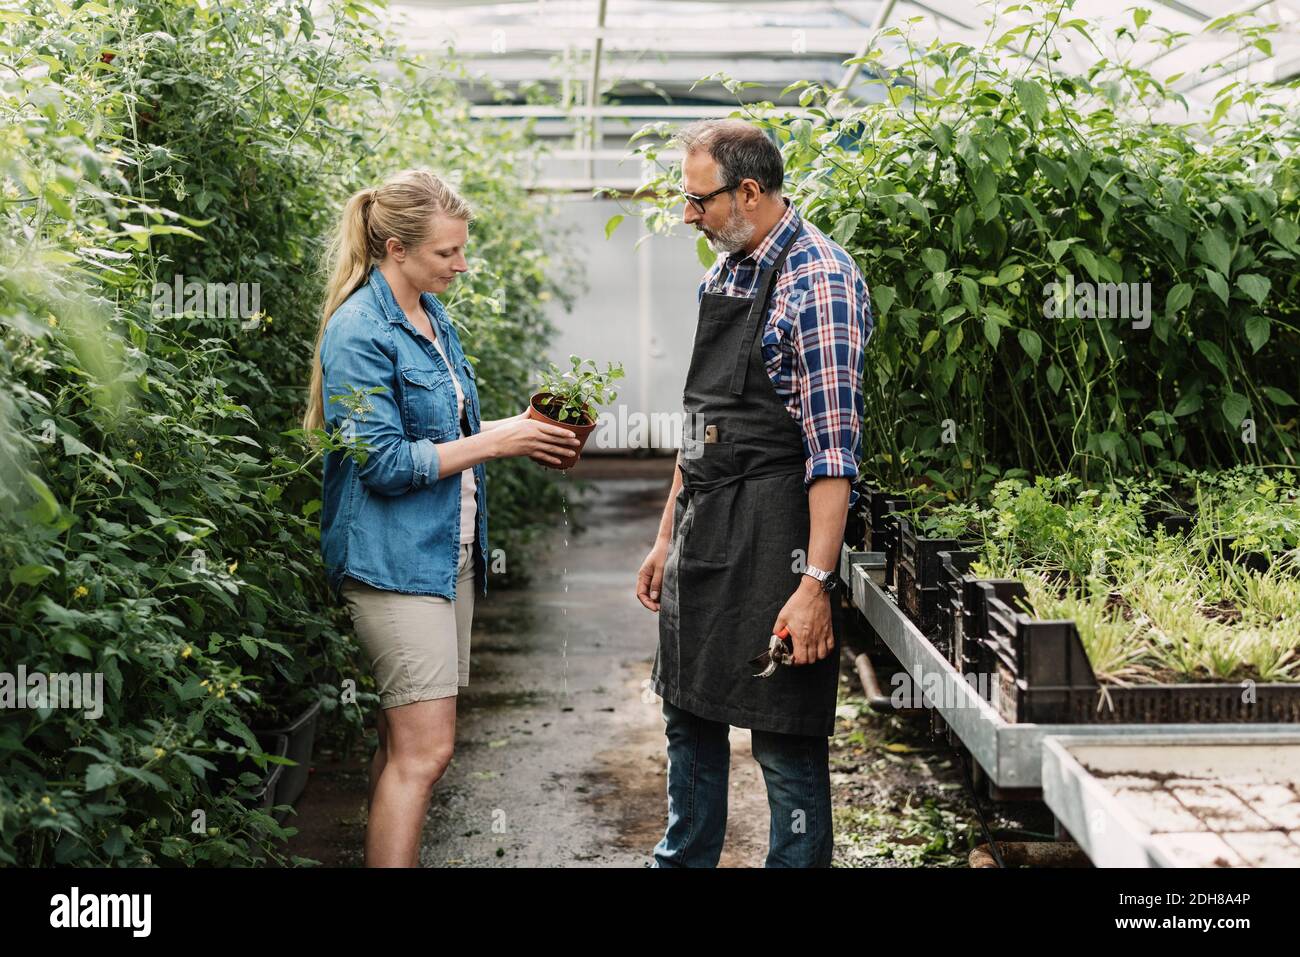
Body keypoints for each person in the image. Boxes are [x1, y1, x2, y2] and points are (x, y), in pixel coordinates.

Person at [304, 168, 580, 867]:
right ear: (396, 248)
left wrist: (523, 428)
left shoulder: (430, 314)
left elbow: (443, 429)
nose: (461, 264)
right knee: (425, 752)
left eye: (462, 249)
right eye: (447, 253)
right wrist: (498, 440)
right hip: (393, 564)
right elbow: (386, 464)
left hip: (444, 556)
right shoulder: (359, 330)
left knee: (405, 748)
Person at [635, 120, 872, 867]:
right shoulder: (726, 273)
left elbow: (833, 453)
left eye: (697, 199)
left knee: (783, 740)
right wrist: (668, 530)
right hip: (706, 532)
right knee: (689, 722)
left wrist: (814, 585)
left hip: (779, 536)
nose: (687, 215)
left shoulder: (820, 281)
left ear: (747, 190)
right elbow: (702, 423)